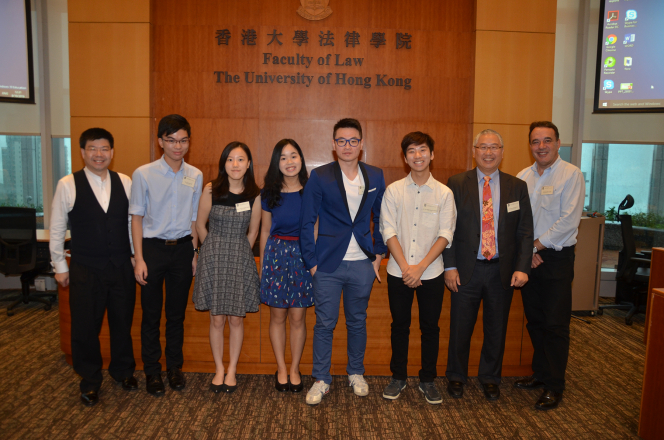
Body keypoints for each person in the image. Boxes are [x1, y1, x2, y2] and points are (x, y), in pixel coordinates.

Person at [300, 117, 387, 406]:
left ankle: (355, 373)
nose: (347, 146)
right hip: (327, 264)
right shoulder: (320, 176)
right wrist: (312, 262)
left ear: (361, 144)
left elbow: (381, 219)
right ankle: (322, 378)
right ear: (333, 144)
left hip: (362, 263)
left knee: (357, 321)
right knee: (324, 324)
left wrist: (378, 254)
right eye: (341, 141)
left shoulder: (375, 175)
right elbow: (306, 221)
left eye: (353, 141)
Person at [443, 129, 533, 401]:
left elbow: (525, 231)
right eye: (483, 147)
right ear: (474, 151)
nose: (488, 152)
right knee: (460, 327)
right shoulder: (457, 183)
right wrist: (449, 266)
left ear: (502, 152)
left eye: (494, 147)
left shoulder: (517, 186)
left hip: (501, 270)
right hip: (466, 269)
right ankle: (456, 376)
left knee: (496, 327)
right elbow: (448, 229)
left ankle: (490, 377)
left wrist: (522, 266)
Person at [50, 128, 136, 406]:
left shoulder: (124, 181)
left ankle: (123, 371)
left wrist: (135, 256)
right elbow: (57, 227)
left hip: (121, 265)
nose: (99, 155)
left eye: (104, 149)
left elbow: (130, 223)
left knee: (122, 322)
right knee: (86, 327)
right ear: (82, 152)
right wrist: (59, 265)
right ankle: (89, 380)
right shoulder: (68, 184)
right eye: (92, 149)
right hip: (86, 267)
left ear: (112, 151)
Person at [379, 132, 456, 404]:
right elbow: (387, 230)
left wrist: (420, 268)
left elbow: (446, 233)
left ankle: (427, 380)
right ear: (405, 157)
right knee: (399, 325)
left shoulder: (444, 193)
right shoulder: (394, 190)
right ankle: (398, 377)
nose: (417, 156)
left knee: (430, 327)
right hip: (398, 272)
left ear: (432, 154)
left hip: (432, 272)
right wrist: (405, 267)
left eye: (422, 150)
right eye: (411, 151)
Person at [130, 114, 203, 396]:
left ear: (188, 142)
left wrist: (194, 253)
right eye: (171, 140)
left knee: (176, 316)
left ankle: (174, 368)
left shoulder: (194, 175)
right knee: (150, 315)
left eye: (183, 140)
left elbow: (195, 218)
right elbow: (135, 218)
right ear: (160, 141)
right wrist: (139, 258)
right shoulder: (144, 173)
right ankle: (151, 371)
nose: (177, 146)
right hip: (152, 250)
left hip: (183, 249)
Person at [515, 121, 585, 411]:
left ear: (558, 143)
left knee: (556, 324)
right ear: (530, 145)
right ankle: (541, 374)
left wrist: (534, 246)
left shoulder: (571, 175)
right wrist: (526, 252)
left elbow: (568, 221)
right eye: (535, 141)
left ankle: (555, 385)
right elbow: (517, 220)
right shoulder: (523, 177)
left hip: (555, 259)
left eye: (547, 140)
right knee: (535, 321)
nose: (541, 146)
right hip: (529, 259)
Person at [192, 141, 262, 393]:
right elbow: (200, 225)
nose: (235, 164)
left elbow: (254, 230)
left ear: (248, 164)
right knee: (216, 318)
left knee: (235, 319)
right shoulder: (212, 189)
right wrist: (207, 250)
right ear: (224, 163)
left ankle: (232, 368)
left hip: (239, 256)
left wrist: (240, 252)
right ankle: (218, 368)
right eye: (230, 159)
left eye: (241, 159)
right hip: (213, 256)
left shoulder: (255, 194)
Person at [259, 139, 314, 393]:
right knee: (277, 315)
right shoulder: (268, 192)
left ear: (301, 159)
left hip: (304, 255)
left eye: (294, 156)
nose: (289, 162)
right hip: (276, 255)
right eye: (283, 157)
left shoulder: (312, 190)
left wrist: (314, 260)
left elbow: (316, 227)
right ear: (276, 163)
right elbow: (265, 230)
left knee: (298, 316)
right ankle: (281, 367)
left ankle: (294, 368)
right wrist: (263, 266)